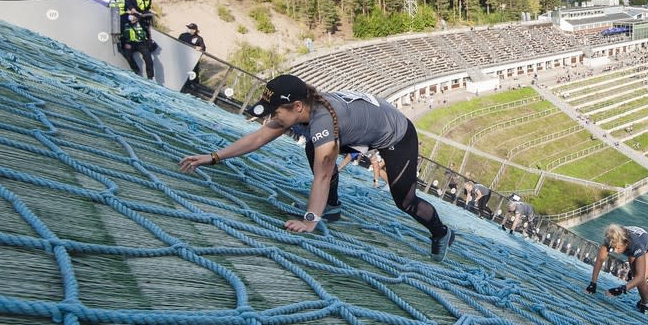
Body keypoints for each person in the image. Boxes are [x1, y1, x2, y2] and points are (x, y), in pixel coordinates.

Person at [177, 74, 456, 261]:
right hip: (357, 129)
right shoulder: (306, 112)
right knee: (315, 145)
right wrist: (212, 157)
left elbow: (323, 174)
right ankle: (332, 206)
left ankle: (441, 232)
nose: (272, 117)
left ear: (297, 107)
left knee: (404, 201)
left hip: (396, 135)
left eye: (275, 111)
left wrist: (310, 220)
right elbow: (259, 137)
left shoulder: (322, 122)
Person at [585, 224, 648, 314]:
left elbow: (640, 277)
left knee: (640, 278)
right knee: (634, 277)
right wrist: (593, 283)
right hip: (633, 243)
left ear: (625, 243)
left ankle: (645, 302)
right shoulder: (611, 238)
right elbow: (599, 260)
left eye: (618, 248)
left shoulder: (636, 246)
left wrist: (621, 289)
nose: (616, 251)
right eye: (613, 248)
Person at [118, 14, 156, 79]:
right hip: (130, 43)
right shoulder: (124, 24)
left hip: (141, 43)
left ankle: (150, 76)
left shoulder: (141, 23)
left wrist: (148, 40)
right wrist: (124, 44)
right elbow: (121, 35)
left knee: (147, 56)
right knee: (127, 54)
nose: (134, 20)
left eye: (135, 19)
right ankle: (136, 69)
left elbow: (148, 29)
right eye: (132, 19)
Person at [177, 23, 207, 91]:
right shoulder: (183, 35)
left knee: (194, 72)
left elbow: (203, 48)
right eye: (189, 28)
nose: (189, 30)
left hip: (192, 59)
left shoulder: (199, 39)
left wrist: (200, 48)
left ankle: (192, 86)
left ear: (195, 30)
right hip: (181, 56)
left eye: (191, 29)